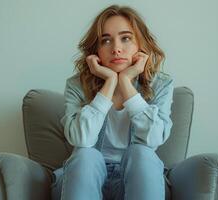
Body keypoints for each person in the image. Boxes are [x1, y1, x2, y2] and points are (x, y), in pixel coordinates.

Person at [51, 4, 174, 200]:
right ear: (95, 50)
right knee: (85, 155)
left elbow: (154, 138)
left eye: (126, 38)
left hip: (137, 179)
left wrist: (125, 82)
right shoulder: (76, 85)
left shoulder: (161, 84)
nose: (116, 49)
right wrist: (109, 83)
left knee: (141, 153)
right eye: (106, 40)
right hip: (85, 178)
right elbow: (80, 139)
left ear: (141, 44)